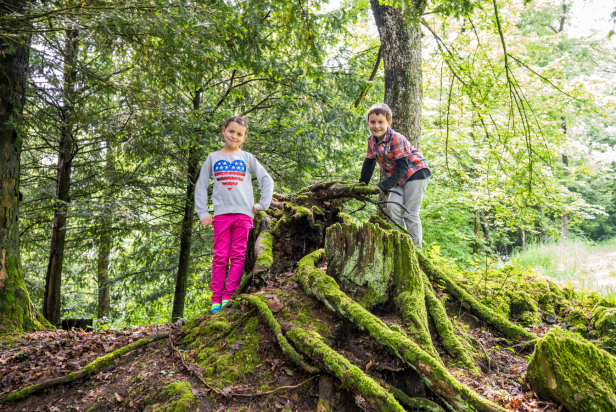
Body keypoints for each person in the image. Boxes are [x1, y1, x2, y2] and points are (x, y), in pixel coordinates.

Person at [194, 116, 274, 314]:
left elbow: (266, 179)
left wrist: (263, 204)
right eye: (231, 131)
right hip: (221, 215)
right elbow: (201, 185)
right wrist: (203, 212)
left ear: (244, 138)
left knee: (237, 255)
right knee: (220, 256)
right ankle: (216, 299)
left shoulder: (247, 158)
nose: (234, 136)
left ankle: (229, 295)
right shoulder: (213, 158)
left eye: (239, 134)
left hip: (244, 214)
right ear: (223, 131)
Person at [359, 103, 431, 250]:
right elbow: (369, 162)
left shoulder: (396, 138)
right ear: (368, 123)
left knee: (410, 214)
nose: (376, 126)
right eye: (373, 122)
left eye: (381, 122)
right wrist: (361, 185)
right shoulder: (372, 140)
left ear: (388, 123)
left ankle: (416, 252)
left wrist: (382, 186)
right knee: (392, 208)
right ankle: (401, 247)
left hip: (415, 172)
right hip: (399, 177)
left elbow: (403, 167)